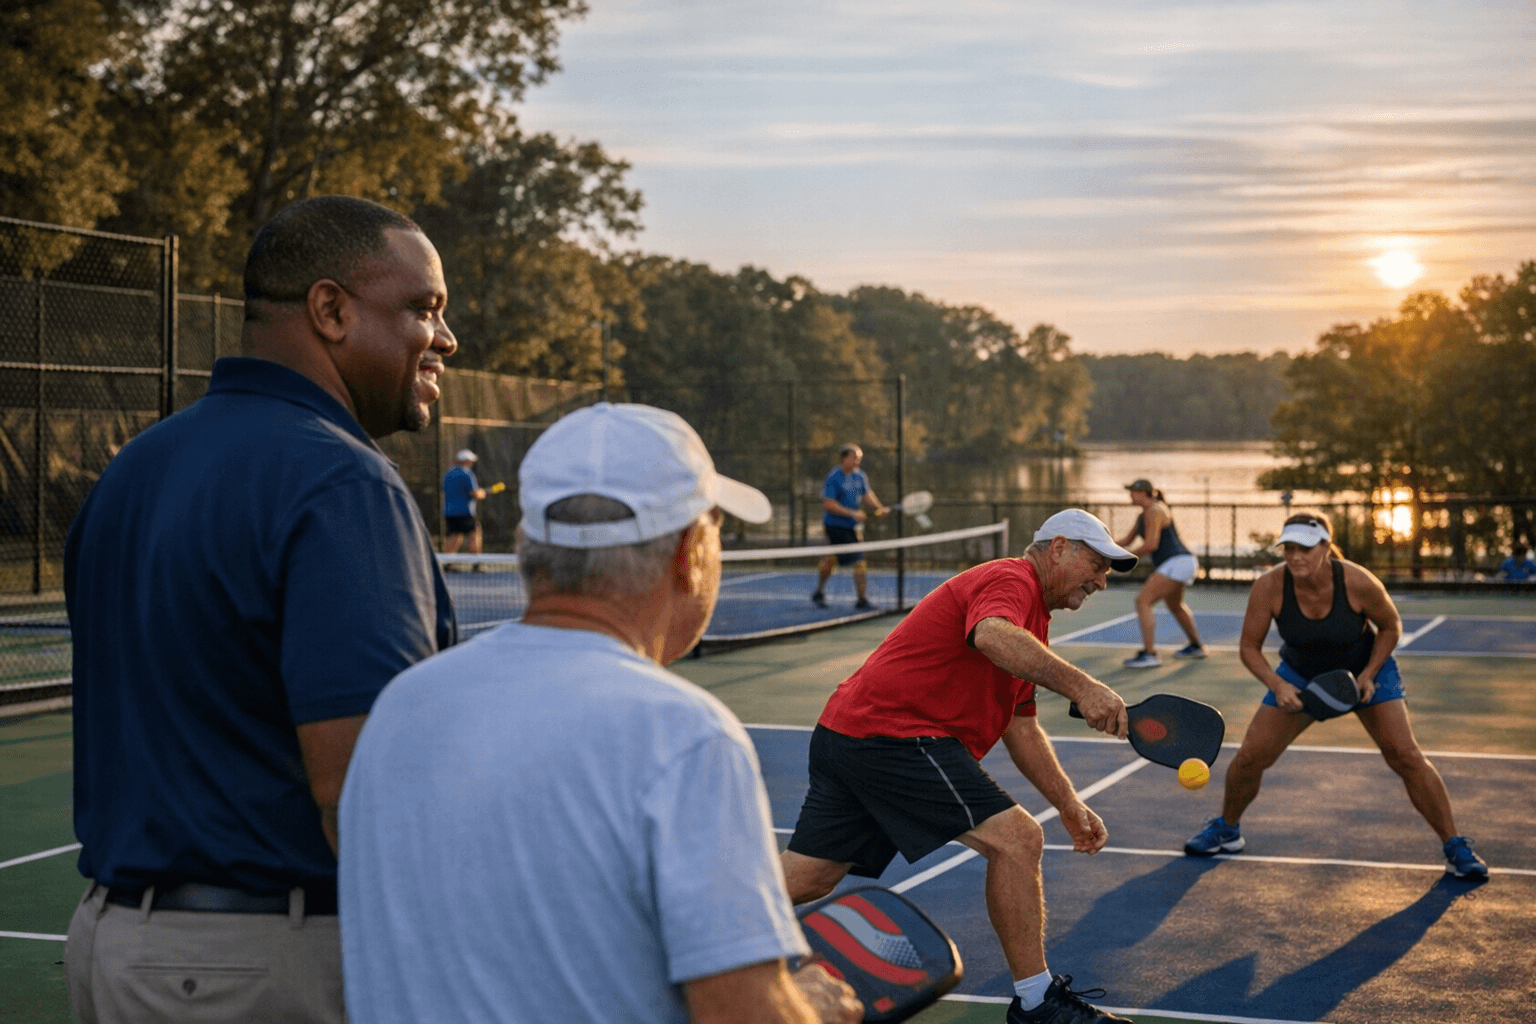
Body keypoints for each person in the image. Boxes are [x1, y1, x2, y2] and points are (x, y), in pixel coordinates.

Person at [62, 195, 459, 1024]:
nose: (446, 339)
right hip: (257, 966)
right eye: (424, 309)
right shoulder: (340, 481)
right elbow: (360, 785)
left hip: (110, 948)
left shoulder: (136, 468)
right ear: (331, 310)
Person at [339, 403, 862, 1024]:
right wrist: (809, 1010)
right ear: (690, 552)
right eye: (717, 526)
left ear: (524, 545)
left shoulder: (402, 705)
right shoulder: (684, 736)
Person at [782, 508, 1142, 1024]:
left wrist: (1067, 803)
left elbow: (1021, 726)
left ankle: (684, 936)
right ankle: (1038, 1006)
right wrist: (1084, 686)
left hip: (850, 733)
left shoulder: (1032, 622)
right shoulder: (1011, 578)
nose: (1103, 581)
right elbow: (991, 633)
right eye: (1099, 563)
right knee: (1018, 839)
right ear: (1059, 547)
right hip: (893, 735)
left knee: (811, 876)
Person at [1184, 510, 1489, 880]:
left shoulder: (1358, 582)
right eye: (1289, 548)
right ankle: (1227, 829)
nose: (1296, 556)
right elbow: (1249, 647)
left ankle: (1454, 844)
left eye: (1306, 548)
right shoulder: (1269, 587)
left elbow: (1391, 626)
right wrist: (1278, 686)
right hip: (1300, 675)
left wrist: (1369, 674)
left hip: (1365, 672)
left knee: (1405, 756)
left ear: (1326, 547)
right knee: (1250, 757)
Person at [1117, 479, 1204, 668]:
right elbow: (1126, 540)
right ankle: (1196, 646)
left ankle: (1150, 655)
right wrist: (1103, 548)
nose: (1130, 495)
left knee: (1143, 601)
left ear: (1143, 492)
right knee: (1175, 605)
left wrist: (1122, 559)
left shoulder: (1155, 510)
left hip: (1177, 562)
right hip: (1180, 562)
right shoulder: (1143, 515)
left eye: (1132, 491)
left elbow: (1151, 545)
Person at [812, 443, 887, 610]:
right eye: (854, 458)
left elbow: (867, 494)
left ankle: (819, 592)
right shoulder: (834, 477)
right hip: (835, 526)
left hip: (852, 527)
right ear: (844, 458)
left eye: (859, 459)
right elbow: (828, 504)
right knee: (859, 561)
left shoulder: (860, 476)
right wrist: (852, 513)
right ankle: (861, 600)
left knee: (832, 560)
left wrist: (879, 507)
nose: (857, 462)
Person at [443, 448, 487, 554]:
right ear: (465, 461)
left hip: (449, 512)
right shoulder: (467, 474)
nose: (471, 463)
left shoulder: (448, 474)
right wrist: (481, 493)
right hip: (465, 512)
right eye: (470, 461)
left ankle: (447, 564)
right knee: (474, 534)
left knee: (454, 536)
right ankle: (476, 564)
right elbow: (475, 493)